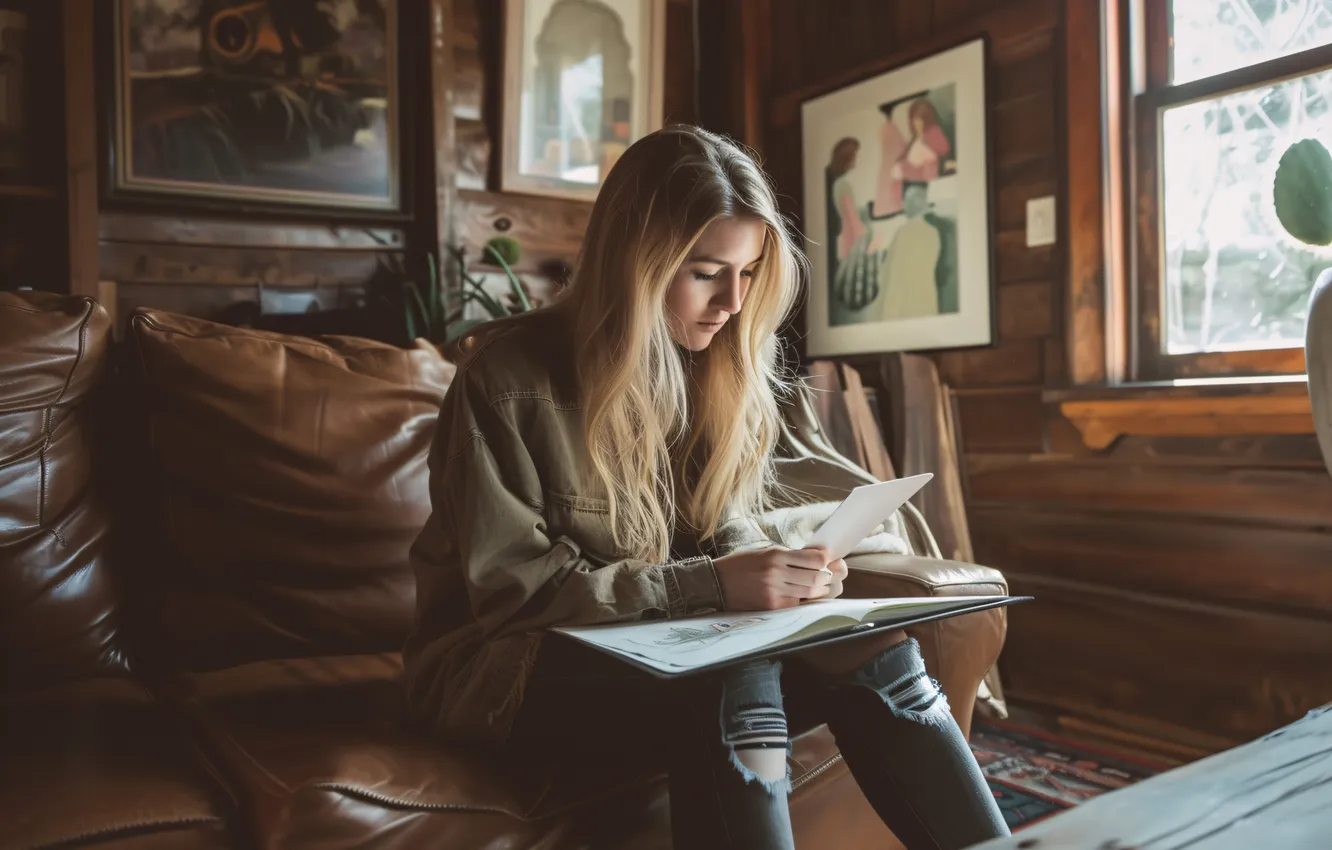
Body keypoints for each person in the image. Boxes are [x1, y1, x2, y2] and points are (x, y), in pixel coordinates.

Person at [403, 125, 1008, 850]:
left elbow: (724, 529)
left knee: (875, 652)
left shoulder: (716, 370)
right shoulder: (505, 382)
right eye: (705, 272)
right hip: (506, 671)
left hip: (666, 646)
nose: (732, 302)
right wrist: (712, 585)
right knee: (732, 672)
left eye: (748, 273)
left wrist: (780, 578)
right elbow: (517, 597)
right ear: (634, 263)